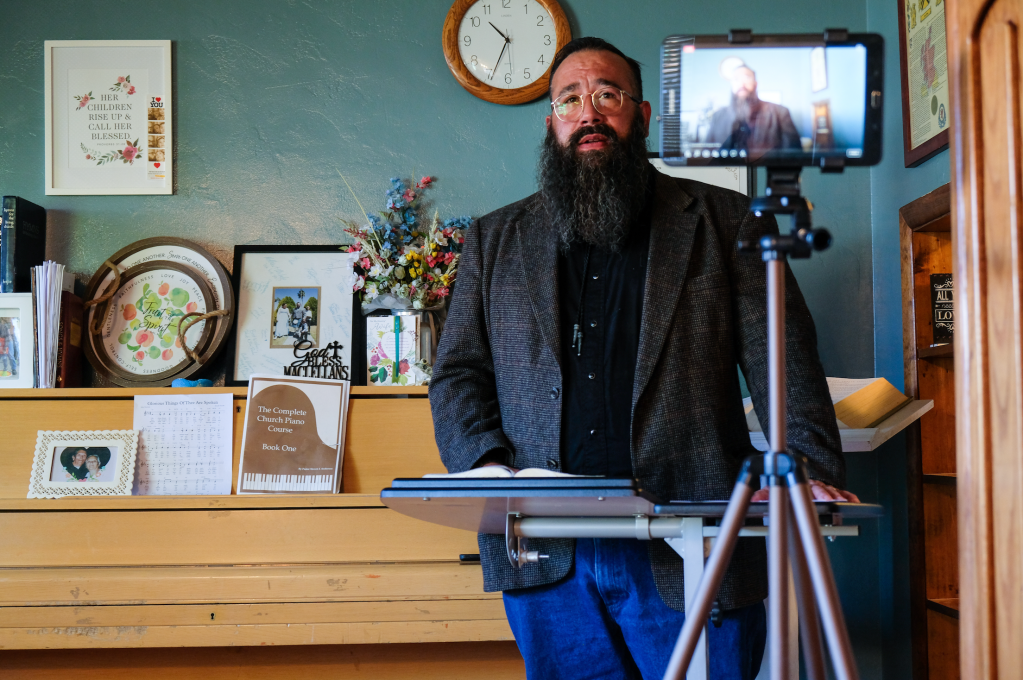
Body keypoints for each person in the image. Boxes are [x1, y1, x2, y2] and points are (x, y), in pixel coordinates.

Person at [429, 37, 858, 680]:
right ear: (552, 122)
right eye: (570, 99)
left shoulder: (726, 219)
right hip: (546, 558)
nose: (589, 112)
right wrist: (489, 469)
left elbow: (783, 358)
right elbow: (458, 373)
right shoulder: (495, 239)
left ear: (642, 114)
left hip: (694, 546)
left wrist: (808, 467)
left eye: (607, 95)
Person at [706, 65, 801, 156]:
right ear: (731, 85)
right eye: (736, 79)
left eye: (747, 78)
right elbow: (706, 155)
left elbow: (793, 156)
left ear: (755, 84)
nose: (741, 83)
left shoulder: (780, 112)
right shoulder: (717, 116)